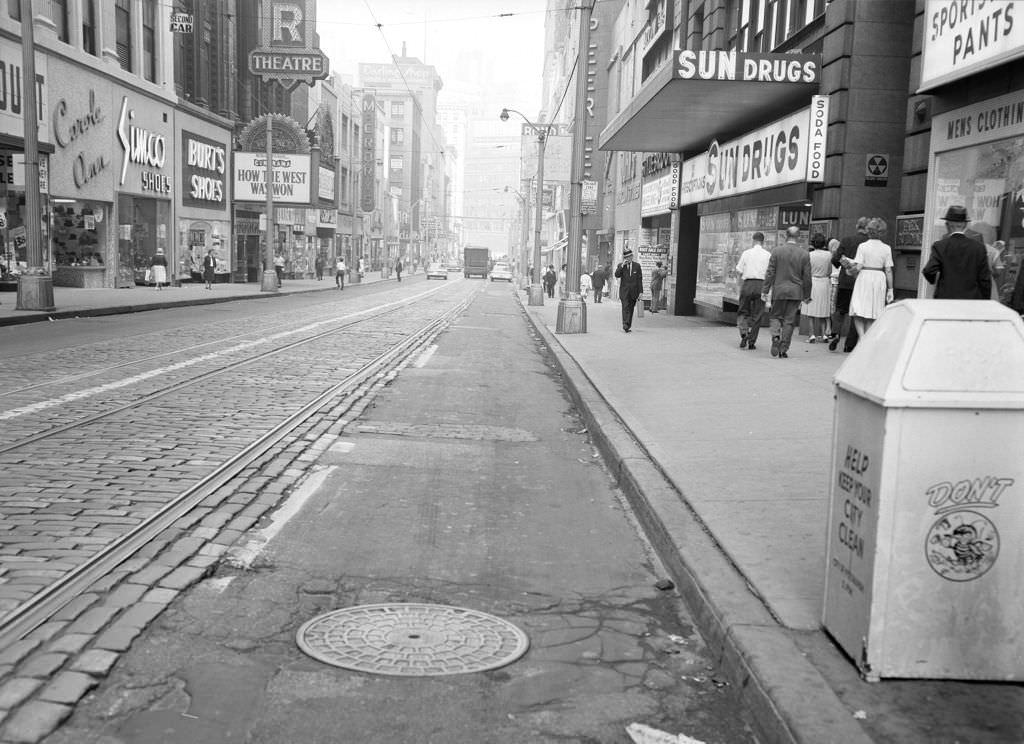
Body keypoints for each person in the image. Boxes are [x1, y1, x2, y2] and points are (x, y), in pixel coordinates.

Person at [761, 226, 812, 358]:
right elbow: (807, 277)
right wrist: (807, 295)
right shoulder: (804, 254)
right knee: (789, 320)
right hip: (796, 292)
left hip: (779, 290)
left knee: (775, 316)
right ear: (798, 236)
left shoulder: (776, 251)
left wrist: (765, 290)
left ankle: (775, 336)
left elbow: (770, 272)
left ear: (785, 235)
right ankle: (783, 349)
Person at [921, 205, 991, 299]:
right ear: (965, 225)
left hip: (945, 300)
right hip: (971, 301)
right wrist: (985, 300)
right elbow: (985, 279)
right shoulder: (979, 248)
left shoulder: (940, 246)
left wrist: (934, 281)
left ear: (947, 225)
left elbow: (928, 271)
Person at [845, 217, 894, 338]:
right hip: (879, 277)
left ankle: (862, 337)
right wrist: (890, 289)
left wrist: (849, 268)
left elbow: (858, 266)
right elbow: (888, 270)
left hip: (864, 277)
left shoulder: (863, 246)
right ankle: (866, 337)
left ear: (869, 230)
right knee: (873, 310)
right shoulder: (886, 248)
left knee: (858, 308)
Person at [829, 217, 869, 352]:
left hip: (845, 280)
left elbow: (835, 259)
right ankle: (849, 344)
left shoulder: (846, 240)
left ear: (857, 226)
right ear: (868, 228)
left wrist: (843, 264)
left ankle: (835, 333)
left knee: (840, 309)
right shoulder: (868, 243)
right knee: (856, 312)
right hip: (861, 281)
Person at [735, 231, 771, 350]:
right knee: (758, 315)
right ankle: (752, 342)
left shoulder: (746, 253)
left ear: (753, 240)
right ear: (763, 242)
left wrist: (738, 287)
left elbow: (739, 271)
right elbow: (770, 274)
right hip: (761, 285)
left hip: (748, 284)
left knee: (743, 311)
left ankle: (744, 333)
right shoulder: (768, 255)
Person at [805, 233, 832, 342]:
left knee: (810, 309)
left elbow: (806, 271)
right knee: (823, 309)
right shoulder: (829, 255)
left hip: (812, 281)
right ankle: (824, 334)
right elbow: (829, 271)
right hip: (824, 282)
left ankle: (811, 335)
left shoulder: (809, 255)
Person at [614, 247, 643, 333]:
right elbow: (617, 275)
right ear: (624, 258)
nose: (628, 258)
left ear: (632, 256)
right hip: (624, 291)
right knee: (625, 307)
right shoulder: (621, 265)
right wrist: (622, 266)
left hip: (634, 291)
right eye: (626, 257)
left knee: (631, 308)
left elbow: (639, 279)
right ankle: (625, 324)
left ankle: (628, 324)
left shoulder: (637, 266)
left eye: (630, 256)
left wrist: (641, 291)